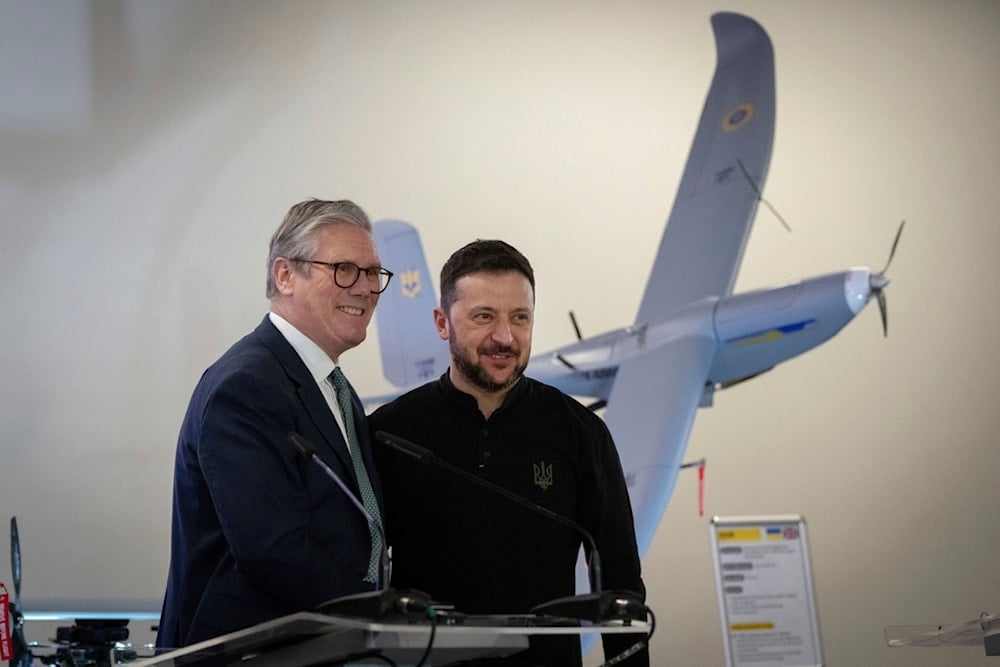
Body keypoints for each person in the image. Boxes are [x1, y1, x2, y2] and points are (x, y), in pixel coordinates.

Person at [369, 239, 648, 666]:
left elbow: (622, 586)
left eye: (520, 317)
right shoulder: (389, 432)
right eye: (484, 317)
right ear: (442, 323)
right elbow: (357, 575)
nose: (505, 337)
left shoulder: (580, 433)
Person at [156, 198, 393, 648]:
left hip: (315, 647)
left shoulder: (334, 389)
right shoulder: (246, 385)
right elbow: (273, 549)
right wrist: (374, 618)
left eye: (372, 273)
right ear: (285, 275)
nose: (364, 288)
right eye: (344, 269)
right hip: (247, 652)